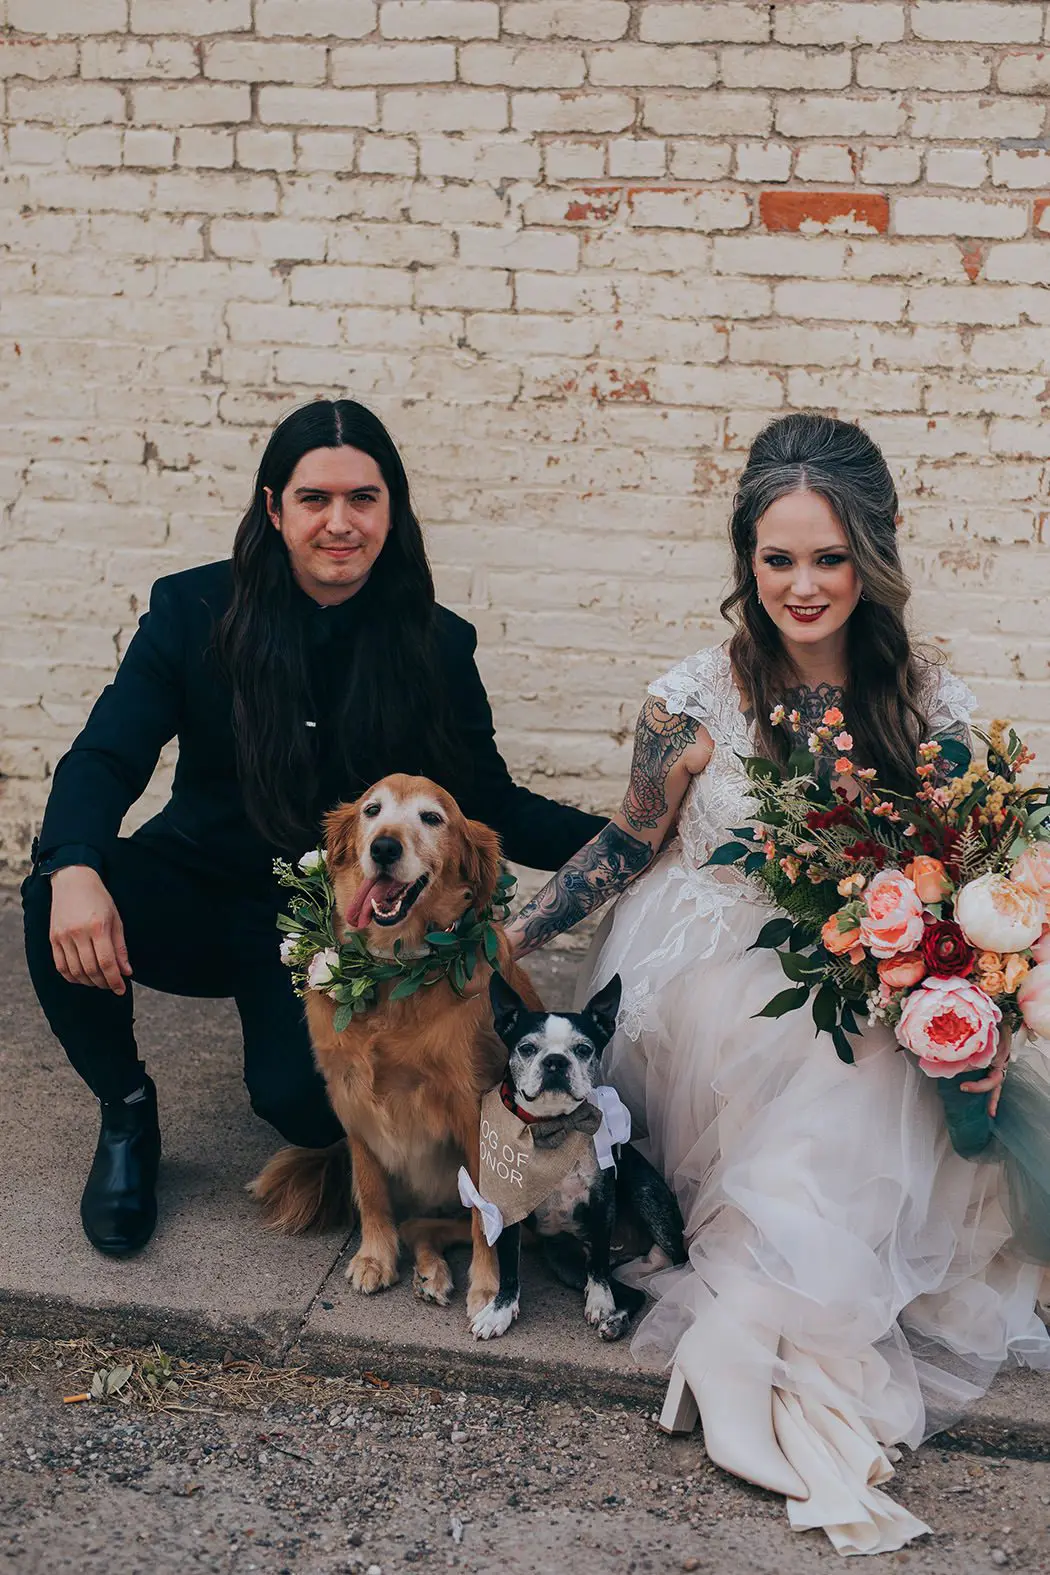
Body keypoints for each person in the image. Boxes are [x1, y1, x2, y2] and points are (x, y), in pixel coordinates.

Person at [503, 413, 1050, 1555]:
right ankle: (758, 1318)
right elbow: (631, 839)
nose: (803, 586)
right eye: (778, 558)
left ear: (876, 555)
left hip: (859, 968)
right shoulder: (696, 696)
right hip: (701, 966)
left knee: (869, 1054)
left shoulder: (924, 706)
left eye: (831, 557)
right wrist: (524, 924)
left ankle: (747, 1325)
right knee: (801, 1044)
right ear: (746, 561)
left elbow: (965, 874)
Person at [22, 398, 604, 1261]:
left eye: (364, 499)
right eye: (314, 499)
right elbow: (106, 755)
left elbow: (496, 806)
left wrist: (640, 833)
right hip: (195, 878)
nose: (340, 523)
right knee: (49, 901)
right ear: (273, 509)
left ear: (391, 510)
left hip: (325, 931)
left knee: (300, 1105)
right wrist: (74, 865)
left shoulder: (435, 645)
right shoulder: (192, 611)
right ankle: (127, 1116)